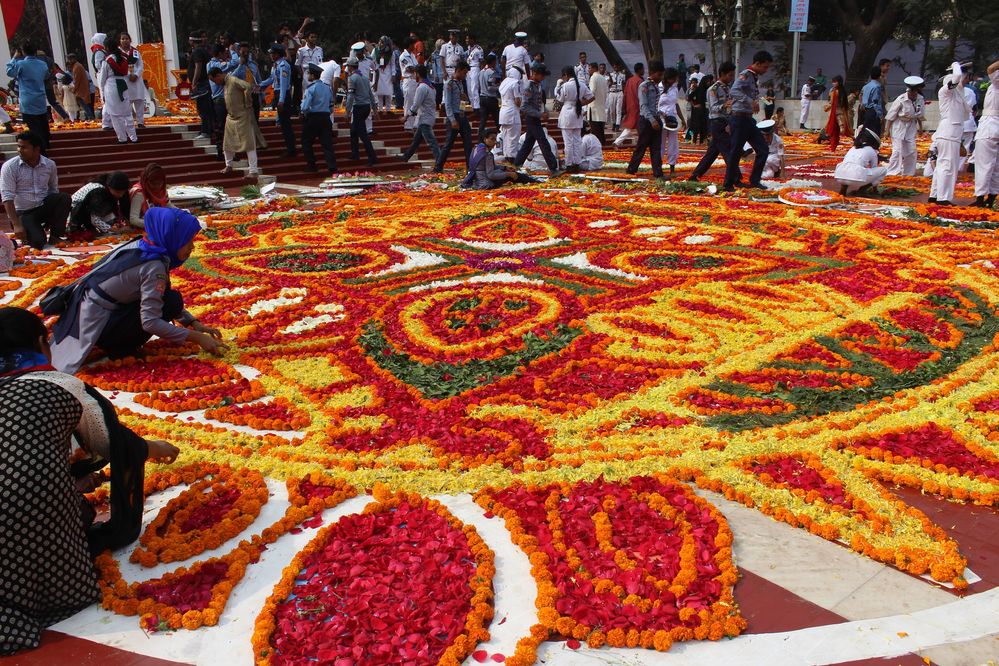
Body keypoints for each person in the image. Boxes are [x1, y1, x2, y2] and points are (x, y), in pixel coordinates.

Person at [0, 306, 181, 656]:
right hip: (21, 535)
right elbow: (110, 443)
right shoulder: (60, 385)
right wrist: (155, 446)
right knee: (69, 516)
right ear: (41, 343)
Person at [50, 208, 228, 374]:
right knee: (171, 302)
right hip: (97, 322)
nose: (192, 247)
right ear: (172, 237)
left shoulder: (144, 245)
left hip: (90, 314)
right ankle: (120, 348)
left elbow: (159, 295)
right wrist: (197, 337)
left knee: (169, 299)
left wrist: (193, 323)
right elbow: (150, 322)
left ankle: (115, 342)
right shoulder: (154, 265)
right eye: (187, 241)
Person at [0, 132, 70, 250]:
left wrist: (53, 217)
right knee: (38, 243)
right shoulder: (10, 167)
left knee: (63, 198)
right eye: (18, 146)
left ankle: (55, 236)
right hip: (23, 213)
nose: (19, 150)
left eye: (24, 147)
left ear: (37, 149)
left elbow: (53, 189)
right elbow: (7, 196)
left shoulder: (49, 164)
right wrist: (17, 225)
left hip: (41, 207)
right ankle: (27, 229)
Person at [724, 50, 773, 192]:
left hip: (748, 119)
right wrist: (750, 101)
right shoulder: (745, 74)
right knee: (736, 151)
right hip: (738, 118)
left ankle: (755, 180)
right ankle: (728, 183)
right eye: (764, 66)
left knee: (763, 149)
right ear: (757, 63)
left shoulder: (753, 76)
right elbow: (734, 91)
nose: (766, 70)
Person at [929, 62, 972, 206]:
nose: (965, 79)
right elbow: (958, 76)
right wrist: (955, 64)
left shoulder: (958, 96)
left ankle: (935, 195)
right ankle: (943, 198)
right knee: (947, 166)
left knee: (943, 165)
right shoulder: (946, 91)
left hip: (951, 134)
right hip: (948, 133)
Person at [213, 67, 266, 178]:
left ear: (218, 75)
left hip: (243, 116)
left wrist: (247, 102)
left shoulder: (233, 80)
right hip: (231, 117)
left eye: (214, 80)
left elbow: (247, 86)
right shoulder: (226, 83)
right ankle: (229, 165)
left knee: (249, 144)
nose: (215, 83)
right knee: (227, 143)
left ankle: (253, 171)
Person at [690, 61, 735, 182]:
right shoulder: (713, 89)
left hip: (725, 122)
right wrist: (725, 105)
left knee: (712, 153)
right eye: (730, 75)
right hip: (717, 122)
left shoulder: (727, 89)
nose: (731, 78)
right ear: (722, 74)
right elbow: (713, 108)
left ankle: (695, 175)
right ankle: (735, 177)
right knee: (728, 150)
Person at [514, 64, 559, 174]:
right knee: (543, 142)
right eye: (541, 75)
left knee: (528, 144)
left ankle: (515, 165)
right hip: (532, 118)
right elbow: (524, 106)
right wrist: (539, 114)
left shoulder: (536, 85)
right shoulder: (529, 86)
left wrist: (543, 113)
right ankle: (553, 167)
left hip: (534, 118)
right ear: (536, 74)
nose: (543, 78)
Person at [6, 43, 51, 151]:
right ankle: (46, 144)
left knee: (34, 127)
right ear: (36, 51)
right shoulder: (42, 64)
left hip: (27, 99)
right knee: (43, 123)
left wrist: (14, 58)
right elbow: (46, 76)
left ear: (23, 52)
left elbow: (10, 73)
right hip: (40, 98)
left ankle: (41, 149)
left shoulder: (21, 63)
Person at [627, 60, 666, 179]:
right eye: (659, 75)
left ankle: (658, 174)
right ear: (652, 73)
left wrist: (660, 115)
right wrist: (652, 120)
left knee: (656, 148)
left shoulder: (656, 86)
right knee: (641, 147)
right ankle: (631, 170)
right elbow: (643, 106)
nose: (660, 78)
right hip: (646, 121)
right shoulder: (644, 86)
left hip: (655, 119)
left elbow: (654, 105)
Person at [463, 128, 537, 189]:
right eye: (492, 139)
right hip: (486, 184)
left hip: (476, 181)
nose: (494, 142)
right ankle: (535, 182)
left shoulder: (476, 148)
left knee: (506, 172)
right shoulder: (487, 154)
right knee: (515, 175)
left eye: (495, 139)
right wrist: (508, 174)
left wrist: (504, 167)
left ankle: (532, 181)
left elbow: (487, 167)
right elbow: (491, 175)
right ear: (485, 139)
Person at [434, 61, 473, 173]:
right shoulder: (449, 84)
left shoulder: (460, 83)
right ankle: (438, 166)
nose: (465, 76)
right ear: (458, 71)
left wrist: (464, 99)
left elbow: (461, 100)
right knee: (449, 143)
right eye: (464, 73)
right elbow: (448, 104)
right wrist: (452, 120)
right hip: (454, 116)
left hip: (462, 114)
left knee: (468, 142)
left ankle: (470, 167)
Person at [298, 63, 336, 175]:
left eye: (309, 73)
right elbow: (331, 106)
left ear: (313, 76)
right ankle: (332, 167)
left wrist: (303, 112)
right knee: (327, 144)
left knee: (306, 141)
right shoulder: (326, 87)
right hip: (325, 117)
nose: (308, 75)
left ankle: (312, 164)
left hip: (313, 118)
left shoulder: (310, 89)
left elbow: (305, 107)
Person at [884, 76, 926, 176]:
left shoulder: (920, 99)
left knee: (911, 150)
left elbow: (920, 115)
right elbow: (891, 115)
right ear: (909, 91)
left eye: (916, 92)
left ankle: (909, 172)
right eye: (912, 92)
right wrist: (887, 130)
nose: (914, 94)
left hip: (911, 126)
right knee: (897, 151)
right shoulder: (901, 99)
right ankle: (892, 172)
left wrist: (920, 128)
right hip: (899, 125)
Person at [99, 39, 138, 144]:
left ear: (107, 48)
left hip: (111, 87)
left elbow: (102, 79)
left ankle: (122, 138)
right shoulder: (123, 58)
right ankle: (133, 137)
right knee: (127, 113)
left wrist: (102, 93)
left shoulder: (107, 60)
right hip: (123, 84)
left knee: (115, 115)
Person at [400, 64, 440, 164]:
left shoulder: (422, 88)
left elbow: (415, 105)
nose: (414, 76)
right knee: (416, 141)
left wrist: (406, 116)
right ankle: (406, 156)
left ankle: (440, 161)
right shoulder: (430, 86)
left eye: (414, 73)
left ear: (418, 74)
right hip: (427, 117)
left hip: (425, 119)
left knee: (432, 142)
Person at [972, 59, 999, 208]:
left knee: (984, 164)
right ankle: (992, 198)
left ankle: (981, 199)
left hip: (990, 126)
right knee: (996, 166)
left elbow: (991, 68)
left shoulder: (996, 82)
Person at [259, 44, 295, 156]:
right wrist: (260, 85)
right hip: (278, 93)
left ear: (278, 54)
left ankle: (291, 149)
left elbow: (284, 84)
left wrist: (281, 100)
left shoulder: (283, 65)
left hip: (282, 94)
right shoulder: (275, 66)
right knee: (284, 124)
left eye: (273, 53)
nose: (271, 56)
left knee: (286, 124)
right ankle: (289, 147)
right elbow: (272, 79)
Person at [345, 56, 378, 167]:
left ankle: (372, 157)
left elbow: (350, 96)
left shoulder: (352, 78)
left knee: (362, 134)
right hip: (366, 106)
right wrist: (374, 109)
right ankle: (355, 153)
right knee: (353, 130)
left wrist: (347, 111)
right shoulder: (364, 77)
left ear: (350, 67)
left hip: (358, 107)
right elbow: (370, 94)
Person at [557, 65, 591, 172]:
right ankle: (577, 163)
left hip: (567, 112)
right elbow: (592, 97)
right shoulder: (582, 85)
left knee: (568, 142)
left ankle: (569, 163)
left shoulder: (565, 85)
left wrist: (558, 87)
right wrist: (581, 103)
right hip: (577, 113)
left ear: (566, 75)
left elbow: (560, 99)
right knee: (577, 140)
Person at [834, 126, 887, 195]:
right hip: (856, 179)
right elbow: (874, 168)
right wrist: (875, 189)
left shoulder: (853, 148)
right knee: (883, 170)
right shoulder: (872, 150)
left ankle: (843, 190)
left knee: (848, 167)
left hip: (839, 177)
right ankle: (862, 190)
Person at [658, 68, 685, 178]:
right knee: (661, 143)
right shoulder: (659, 87)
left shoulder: (674, 88)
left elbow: (676, 104)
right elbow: (656, 103)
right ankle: (658, 167)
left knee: (673, 144)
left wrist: (682, 119)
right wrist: (662, 114)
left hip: (672, 119)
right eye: (674, 78)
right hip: (661, 118)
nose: (675, 80)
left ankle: (672, 166)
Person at [128, 163, 172, 229]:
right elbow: (133, 219)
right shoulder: (139, 193)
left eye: (159, 183)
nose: (157, 186)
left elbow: (168, 205)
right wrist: (153, 225)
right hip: (143, 229)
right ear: (146, 181)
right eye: (153, 184)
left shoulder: (162, 190)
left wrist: (182, 213)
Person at [117, 33, 146, 128]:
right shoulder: (118, 53)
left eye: (126, 38)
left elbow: (140, 65)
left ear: (130, 40)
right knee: (127, 102)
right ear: (120, 41)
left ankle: (140, 122)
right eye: (123, 39)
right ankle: (128, 123)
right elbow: (118, 66)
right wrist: (129, 75)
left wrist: (136, 75)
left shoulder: (135, 52)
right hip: (125, 79)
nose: (125, 40)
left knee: (139, 101)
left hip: (137, 80)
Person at [187, 33, 213, 139]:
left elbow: (198, 67)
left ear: (192, 41)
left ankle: (206, 131)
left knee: (203, 108)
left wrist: (194, 82)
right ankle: (207, 129)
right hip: (205, 83)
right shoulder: (204, 50)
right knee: (205, 108)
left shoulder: (197, 51)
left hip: (202, 84)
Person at [614, 62, 643, 147]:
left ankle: (642, 143)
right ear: (640, 70)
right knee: (632, 127)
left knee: (637, 127)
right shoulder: (640, 81)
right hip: (637, 107)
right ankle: (617, 142)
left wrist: (624, 106)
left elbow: (625, 93)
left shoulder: (630, 80)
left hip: (630, 106)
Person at [498, 67, 524, 161]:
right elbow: (517, 101)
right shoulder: (515, 83)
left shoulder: (504, 82)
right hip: (512, 111)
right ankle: (512, 158)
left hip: (503, 111)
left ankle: (506, 156)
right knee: (513, 137)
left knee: (505, 136)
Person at [232, 43, 263, 121]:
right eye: (243, 52)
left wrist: (262, 95)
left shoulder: (253, 64)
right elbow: (231, 79)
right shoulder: (234, 65)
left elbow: (259, 81)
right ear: (239, 52)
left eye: (247, 52)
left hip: (253, 94)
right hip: (242, 95)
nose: (245, 54)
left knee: (255, 119)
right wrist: (240, 65)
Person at [90, 33, 112, 131]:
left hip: (104, 74)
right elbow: (98, 65)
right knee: (106, 98)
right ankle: (106, 122)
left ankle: (109, 121)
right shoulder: (99, 51)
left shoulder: (101, 50)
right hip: (103, 75)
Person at [824, 75, 849, 152]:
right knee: (833, 131)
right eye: (833, 82)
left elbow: (843, 104)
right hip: (833, 112)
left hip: (839, 111)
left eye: (835, 82)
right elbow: (831, 102)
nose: (833, 83)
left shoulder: (841, 91)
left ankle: (834, 146)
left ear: (839, 82)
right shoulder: (832, 90)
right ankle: (833, 147)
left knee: (840, 128)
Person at [478, 54, 500, 140]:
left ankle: (479, 139)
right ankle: (501, 139)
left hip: (482, 97)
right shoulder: (491, 72)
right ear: (493, 62)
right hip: (490, 98)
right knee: (498, 120)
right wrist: (499, 87)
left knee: (482, 121)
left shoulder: (481, 71)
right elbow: (490, 87)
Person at [373, 36, 396, 114]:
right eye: (379, 41)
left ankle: (388, 109)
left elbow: (393, 64)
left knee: (388, 92)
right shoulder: (375, 50)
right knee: (379, 92)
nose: (380, 43)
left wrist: (393, 74)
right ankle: (380, 109)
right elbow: (372, 60)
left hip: (387, 72)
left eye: (382, 42)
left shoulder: (391, 53)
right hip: (378, 72)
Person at [587, 62, 608, 144]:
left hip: (594, 108)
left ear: (594, 68)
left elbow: (591, 93)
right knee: (600, 132)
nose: (588, 70)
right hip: (601, 107)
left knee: (595, 132)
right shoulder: (603, 78)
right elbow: (606, 93)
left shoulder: (593, 77)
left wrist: (584, 101)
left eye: (589, 68)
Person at [860, 66, 884, 137]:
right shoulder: (877, 86)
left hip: (866, 110)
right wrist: (880, 115)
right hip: (873, 111)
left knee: (866, 131)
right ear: (879, 75)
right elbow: (876, 102)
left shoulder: (866, 86)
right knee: (874, 133)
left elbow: (861, 96)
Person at [68, 53, 93, 120]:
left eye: (70, 60)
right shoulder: (77, 66)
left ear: (73, 59)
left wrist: (74, 89)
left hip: (81, 90)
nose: (69, 61)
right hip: (82, 89)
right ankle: (90, 117)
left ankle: (90, 117)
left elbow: (77, 80)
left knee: (84, 105)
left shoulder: (77, 67)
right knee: (85, 105)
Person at [688, 73, 711, 144]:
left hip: (705, 110)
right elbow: (689, 97)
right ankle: (694, 140)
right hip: (697, 112)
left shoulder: (708, 89)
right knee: (696, 126)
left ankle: (702, 141)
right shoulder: (699, 89)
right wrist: (694, 105)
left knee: (703, 126)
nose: (709, 83)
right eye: (708, 81)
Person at [466, 34, 484, 113]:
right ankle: (473, 106)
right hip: (468, 69)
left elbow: (481, 61)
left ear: (472, 40)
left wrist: (481, 72)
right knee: (469, 89)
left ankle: (477, 107)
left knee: (474, 88)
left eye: (468, 39)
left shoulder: (479, 49)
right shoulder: (469, 48)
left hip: (475, 68)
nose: (466, 40)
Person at [607, 62, 626, 131]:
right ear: (613, 67)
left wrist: (624, 93)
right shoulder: (610, 74)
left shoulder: (622, 75)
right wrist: (610, 81)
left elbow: (623, 84)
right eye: (615, 67)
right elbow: (608, 84)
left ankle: (617, 125)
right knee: (612, 110)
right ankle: (613, 123)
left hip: (619, 92)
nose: (616, 68)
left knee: (618, 110)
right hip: (612, 92)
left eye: (617, 67)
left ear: (619, 67)